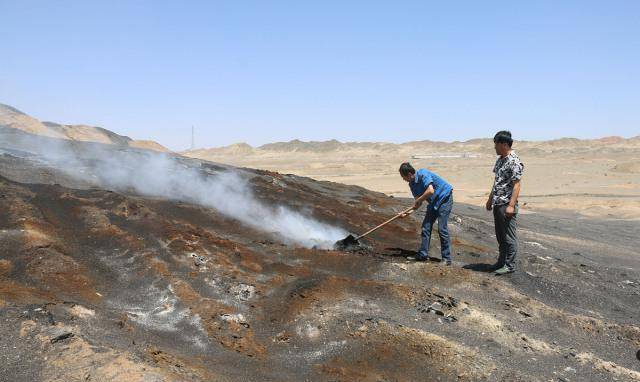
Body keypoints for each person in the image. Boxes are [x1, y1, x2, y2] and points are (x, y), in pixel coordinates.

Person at [399, 162, 454, 265]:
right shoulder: (412, 184)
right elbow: (417, 204)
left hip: (444, 198)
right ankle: (423, 254)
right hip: (433, 203)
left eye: (403, 177)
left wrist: (419, 200)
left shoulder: (423, 174)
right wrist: (406, 214)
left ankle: (447, 259)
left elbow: (430, 191)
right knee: (426, 227)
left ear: (410, 174)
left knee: (442, 228)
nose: (403, 179)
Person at [486, 131, 524, 275]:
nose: (494, 147)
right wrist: (490, 199)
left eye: (496, 144)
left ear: (503, 144)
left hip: (507, 204)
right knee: (500, 236)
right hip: (498, 203)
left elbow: (517, 185)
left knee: (509, 236)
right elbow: (497, 182)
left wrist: (511, 205)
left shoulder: (514, 160)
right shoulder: (500, 160)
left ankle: (510, 265)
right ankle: (501, 262)